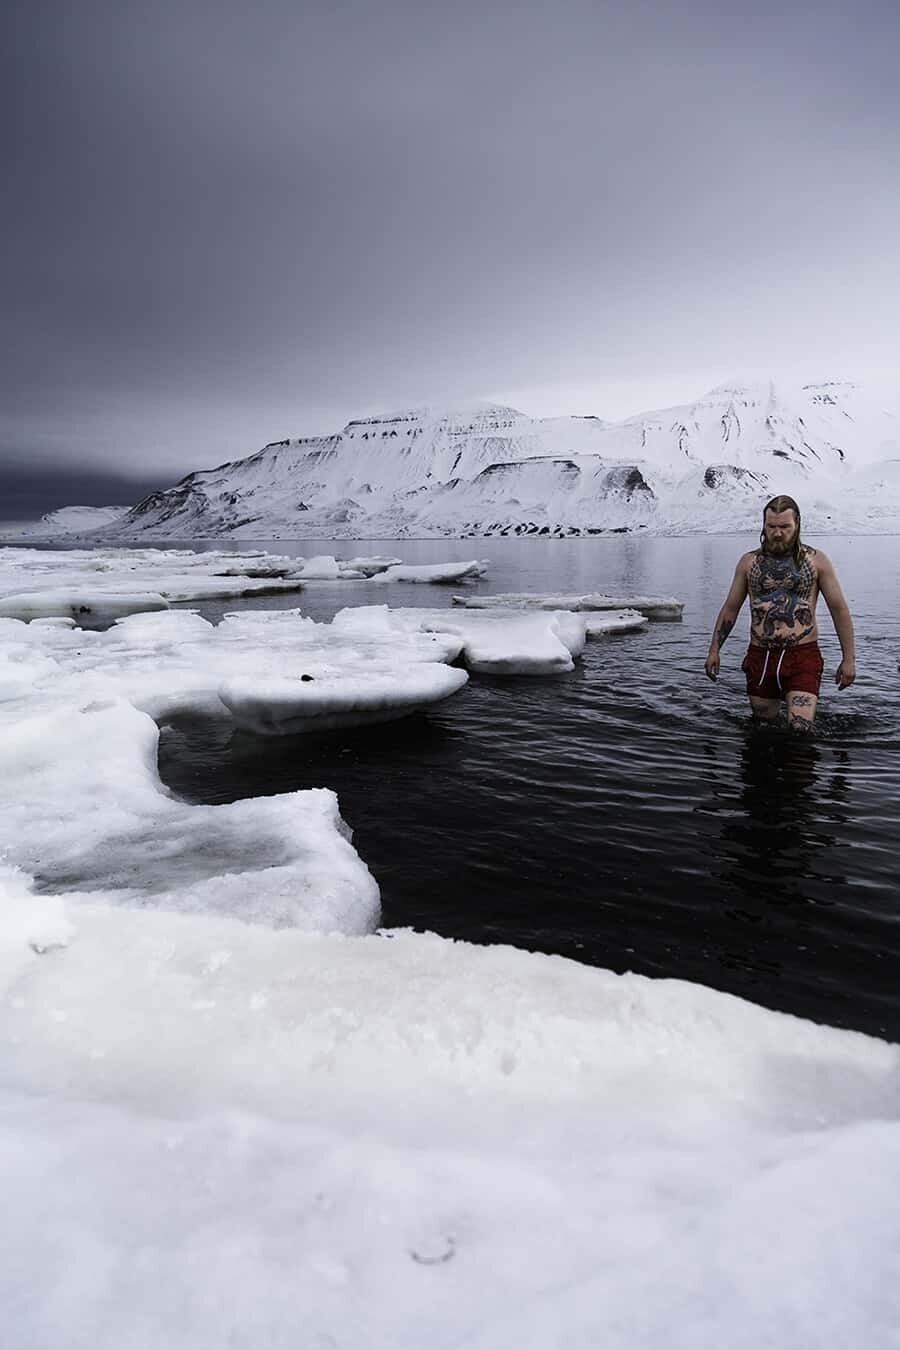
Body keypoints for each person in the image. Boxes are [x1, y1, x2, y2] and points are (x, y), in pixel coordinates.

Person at [704, 495, 856, 730]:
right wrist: (714, 650)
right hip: (761, 655)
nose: (777, 533)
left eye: (784, 527)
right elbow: (730, 608)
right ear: (764, 525)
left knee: (800, 729)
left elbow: (839, 610)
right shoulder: (748, 563)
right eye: (771, 527)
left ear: (797, 525)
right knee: (763, 726)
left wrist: (848, 660)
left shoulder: (817, 561)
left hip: (802, 655)